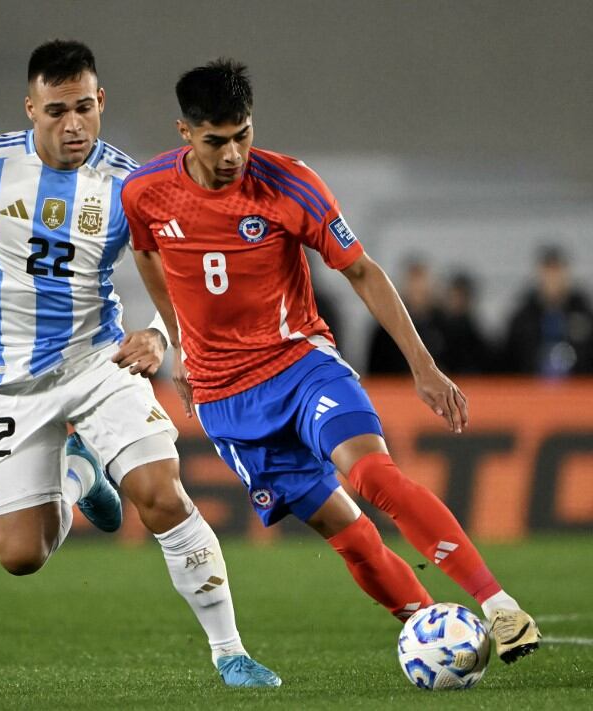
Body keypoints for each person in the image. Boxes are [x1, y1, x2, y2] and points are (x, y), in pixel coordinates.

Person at [0, 40, 280, 688]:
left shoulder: (131, 184)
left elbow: (181, 273)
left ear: (101, 104)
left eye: (86, 108)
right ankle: (76, 475)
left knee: (161, 493)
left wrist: (158, 336)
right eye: (58, 110)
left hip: (97, 361)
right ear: (31, 108)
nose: (74, 125)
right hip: (10, 384)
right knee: (20, 555)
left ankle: (230, 651)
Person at [121, 59, 540, 666]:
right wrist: (182, 343)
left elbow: (363, 271)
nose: (234, 152)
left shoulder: (290, 185)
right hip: (225, 399)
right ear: (184, 132)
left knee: (374, 476)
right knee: (350, 536)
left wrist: (423, 365)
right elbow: (148, 256)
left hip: (300, 365)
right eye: (217, 141)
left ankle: (498, 604)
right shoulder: (144, 190)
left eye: (243, 134)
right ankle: (434, 632)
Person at [501, 246, 593, 376]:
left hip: (578, 391)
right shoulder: (522, 318)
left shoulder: (584, 314)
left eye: (556, 270)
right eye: (548, 271)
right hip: (529, 391)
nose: (552, 278)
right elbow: (508, 360)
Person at [367, 259, 447, 375]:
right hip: (396, 389)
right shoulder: (386, 327)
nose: (417, 288)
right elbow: (376, 368)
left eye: (421, 281)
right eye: (413, 281)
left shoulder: (445, 326)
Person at [441, 271, 492, 374]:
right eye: (454, 296)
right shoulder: (439, 329)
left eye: (460, 296)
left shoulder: (476, 333)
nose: (457, 301)